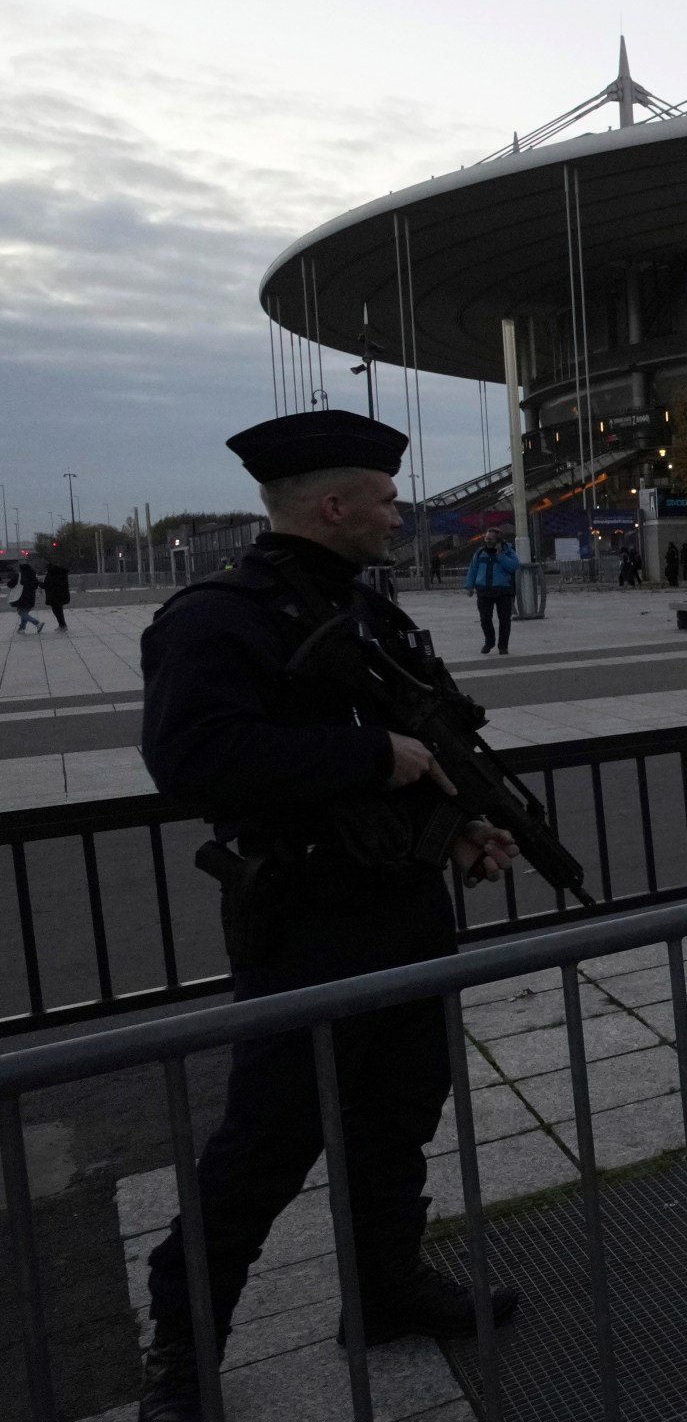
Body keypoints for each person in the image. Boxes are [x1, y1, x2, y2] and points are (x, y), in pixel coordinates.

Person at [134, 411, 523, 1421]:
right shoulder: (217, 619)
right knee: (266, 1142)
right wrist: (366, 757)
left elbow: (423, 747)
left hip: (400, 907)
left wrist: (464, 826)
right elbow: (194, 760)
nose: (400, 515)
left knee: (397, 1117)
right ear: (335, 503)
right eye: (387, 499)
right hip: (304, 923)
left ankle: (388, 1289)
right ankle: (185, 1348)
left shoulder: (368, 614)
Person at [465, 531, 521, 655]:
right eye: (486, 539)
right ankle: (489, 641)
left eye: (491, 539)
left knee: (505, 620)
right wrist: (469, 586)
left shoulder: (508, 552)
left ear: (498, 541)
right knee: (485, 619)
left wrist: (500, 554)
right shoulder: (480, 553)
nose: (488, 541)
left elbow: (513, 566)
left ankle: (503, 646)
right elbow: (473, 569)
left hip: (503, 591)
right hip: (484, 591)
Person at [43, 561, 71, 632]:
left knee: (57, 612)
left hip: (54, 597)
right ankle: (62, 625)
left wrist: (38, 583)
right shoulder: (62, 574)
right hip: (61, 596)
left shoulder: (51, 575)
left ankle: (62, 625)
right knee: (59, 611)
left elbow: (46, 585)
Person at [12, 560, 39, 633]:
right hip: (31, 596)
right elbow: (36, 585)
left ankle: (37, 623)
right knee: (24, 613)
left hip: (22, 597)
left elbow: (10, 584)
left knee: (21, 612)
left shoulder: (19, 576)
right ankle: (22, 628)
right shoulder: (33, 576)